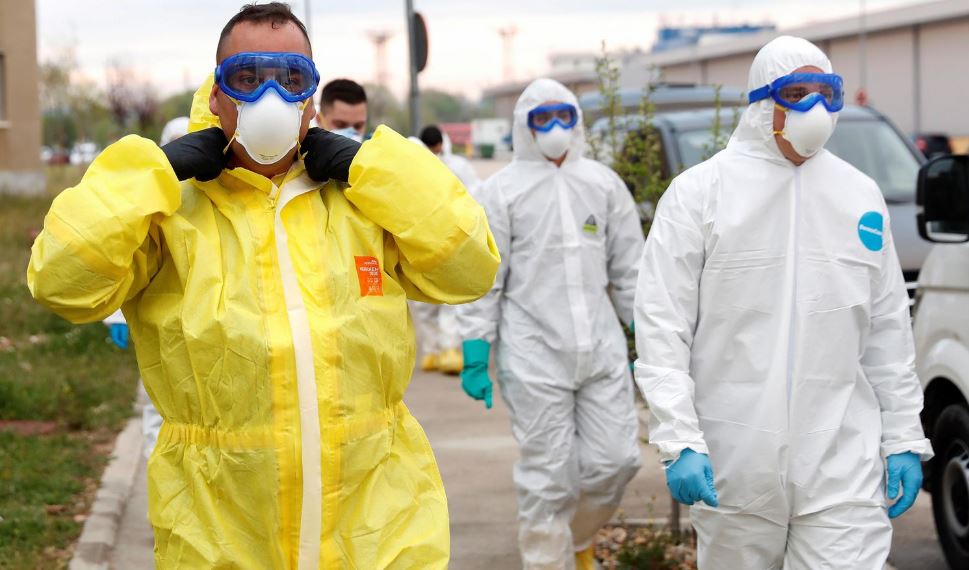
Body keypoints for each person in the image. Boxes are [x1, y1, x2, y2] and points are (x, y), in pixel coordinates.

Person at [27, 3, 499, 568]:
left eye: (291, 78)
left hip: (376, 527)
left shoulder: (362, 201)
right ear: (217, 95)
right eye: (247, 77)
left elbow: (470, 267)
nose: (270, 96)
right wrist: (152, 175)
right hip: (221, 532)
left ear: (312, 99)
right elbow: (60, 281)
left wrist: (374, 171)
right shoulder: (170, 211)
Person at [633, 35, 932, 569]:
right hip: (733, 460)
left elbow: (887, 328)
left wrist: (904, 434)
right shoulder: (700, 193)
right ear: (760, 102)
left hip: (842, 459)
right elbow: (662, 325)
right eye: (796, 93)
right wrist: (679, 438)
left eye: (826, 92)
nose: (813, 107)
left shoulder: (858, 194)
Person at [457, 78, 643, 570]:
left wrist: (647, 340)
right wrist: (475, 349)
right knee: (549, 477)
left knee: (617, 461)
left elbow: (631, 270)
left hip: (600, 347)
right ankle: (548, 561)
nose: (556, 127)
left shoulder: (603, 184)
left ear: (578, 120)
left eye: (565, 115)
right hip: (533, 351)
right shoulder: (500, 192)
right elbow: (484, 278)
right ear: (526, 126)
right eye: (544, 118)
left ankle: (576, 537)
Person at [103, 115, 193, 459]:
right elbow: (122, 256)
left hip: (201, 326)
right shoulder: (151, 194)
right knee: (159, 400)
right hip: (161, 326)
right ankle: (158, 471)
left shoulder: (210, 192)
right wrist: (117, 318)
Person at [417, 125, 483, 374]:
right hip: (448, 239)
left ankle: (435, 351)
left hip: (424, 240)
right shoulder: (458, 166)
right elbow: (476, 197)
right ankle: (445, 350)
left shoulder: (415, 163)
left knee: (427, 300)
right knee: (444, 301)